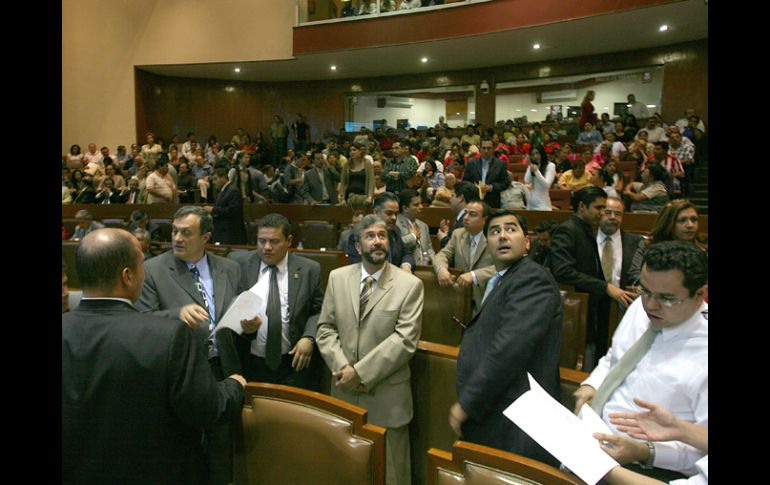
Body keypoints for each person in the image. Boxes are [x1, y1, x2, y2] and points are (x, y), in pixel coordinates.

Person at [63, 228, 246, 485]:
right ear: (127, 276)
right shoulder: (169, 336)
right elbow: (206, 409)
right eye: (141, 265)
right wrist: (234, 385)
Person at [573, 242, 707, 480]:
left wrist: (646, 452)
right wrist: (591, 385)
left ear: (699, 295)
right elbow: (615, 357)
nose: (650, 305)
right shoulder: (640, 308)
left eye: (666, 298)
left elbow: (701, 451)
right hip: (589, 438)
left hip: (646, 470)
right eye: (645, 291)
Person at [136, 206, 243, 485]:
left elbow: (236, 316)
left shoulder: (230, 268)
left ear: (206, 237)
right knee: (183, 448)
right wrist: (176, 314)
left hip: (222, 368)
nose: (177, 238)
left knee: (221, 450)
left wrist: (249, 326)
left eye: (186, 232)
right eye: (174, 231)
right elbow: (142, 321)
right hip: (179, 373)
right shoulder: (153, 269)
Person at [317, 214, 424, 485]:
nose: (377, 241)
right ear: (357, 246)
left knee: (391, 475)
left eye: (382, 235)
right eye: (370, 236)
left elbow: (405, 340)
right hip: (344, 390)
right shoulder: (337, 278)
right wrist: (343, 367)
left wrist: (360, 373)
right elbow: (325, 329)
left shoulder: (409, 285)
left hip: (387, 396)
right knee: (346, 471)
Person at [450, 209, 562, 466]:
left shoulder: (532, 279)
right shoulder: (504, 279)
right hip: (496, 411)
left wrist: (467, 402)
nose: (502, 236)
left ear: (527, 242)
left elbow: (509, 348)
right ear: (487, 244)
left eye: (511, 229)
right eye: (495, 231)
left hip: (516, 420)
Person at [224, 213, 325, 391]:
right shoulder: (238, 263)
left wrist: (309, 337)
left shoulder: (309, 269)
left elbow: (318, 311)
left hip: (292, 362)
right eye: (261, 241)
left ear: (289, 240)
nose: (267, 247)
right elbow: (228, 305)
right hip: (249, 361)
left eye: (274, 241)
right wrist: (243, 326)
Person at [549, 187, 636, 369]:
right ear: (582, 206)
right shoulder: (568, 230)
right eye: (599, 208)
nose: (603, 213)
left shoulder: (587, 229)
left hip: (593, 309)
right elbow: (563, 270)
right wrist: (605, 286)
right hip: (574, 307)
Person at [433, 200, 496, 313]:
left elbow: (501, 267)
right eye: (465, 213)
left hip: (486, 299)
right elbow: (442, 254)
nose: (466, 218)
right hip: (460, 298)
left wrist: (474, 275)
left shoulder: (494, 237)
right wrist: (441, 269)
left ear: (485, 219)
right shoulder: (458, 234)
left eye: (472, 214)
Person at [627, 200, 706, 285]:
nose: (690, 225)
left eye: (694, 220)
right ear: (669, 223)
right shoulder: (648, 245)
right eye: (682, 220)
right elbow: (634, 274)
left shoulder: (703, 248)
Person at [346, 192, 416, 271]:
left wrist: (406, 265)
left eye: (396, 214)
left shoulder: (395, 231)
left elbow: (407, 253)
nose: (394, 218)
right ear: (375, 212)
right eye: (389, 213)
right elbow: (358, 267)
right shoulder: (359, 234)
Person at [463, 137, 510, 209]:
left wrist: (491, 187)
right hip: (474, 200)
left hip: (493, 201)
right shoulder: (471, 163)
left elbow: (505, 183)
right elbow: (465, 182)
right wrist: (474, 187)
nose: (486, 151)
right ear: (479, 148)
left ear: (494, 148)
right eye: (483, 148)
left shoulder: (500, 164)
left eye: (489, 148)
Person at [204, 168, 247, 245]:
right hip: (222, 230)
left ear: (223, 177)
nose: (213, 182)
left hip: (230, 232)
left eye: (215, 179)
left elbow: (233, 211)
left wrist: (213, 210)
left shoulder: (233, 190)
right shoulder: (224, 190)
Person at [396, 189, 435, 265]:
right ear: (405, 208)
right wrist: (412, 237)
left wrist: (435, 263)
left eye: (421, 203)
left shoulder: (423, 226)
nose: (421, 207)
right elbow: (396, 247)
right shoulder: (396, 225)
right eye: (416, 205)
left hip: (425, 268)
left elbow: (429, 249)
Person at [436, 180, 476, 248]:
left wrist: (444, 239)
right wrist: (448, 232)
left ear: (461, 198)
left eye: (453, 196)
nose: (450, 200)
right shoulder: (464, 217)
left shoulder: (467, 220)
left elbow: (461, 249)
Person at [524, 144, 556, 210]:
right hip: (530, 204)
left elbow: (546, 185)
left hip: (543, 205)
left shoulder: (550, 166)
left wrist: (536, 171)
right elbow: (527, 181)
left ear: (542, 153)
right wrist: (530, 165)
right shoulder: (532, 165)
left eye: (537, 153)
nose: (535, 156)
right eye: (532, 154)